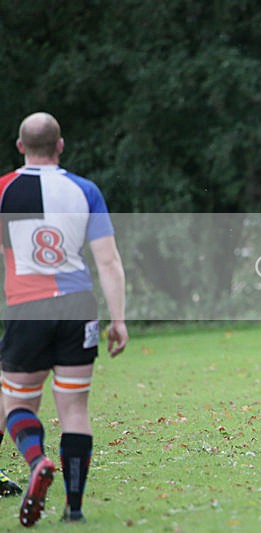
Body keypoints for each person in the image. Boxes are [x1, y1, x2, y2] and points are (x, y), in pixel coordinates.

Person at [0, 112, 128, 527]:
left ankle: (37, 461)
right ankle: (73, 508)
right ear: (60, 146)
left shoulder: (3, 190)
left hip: (27, 307)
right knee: (74, 410)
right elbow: (108, 261)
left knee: (15, 403)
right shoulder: (84, 189)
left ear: (20, 146)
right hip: (78, 307)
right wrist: (119, 319)